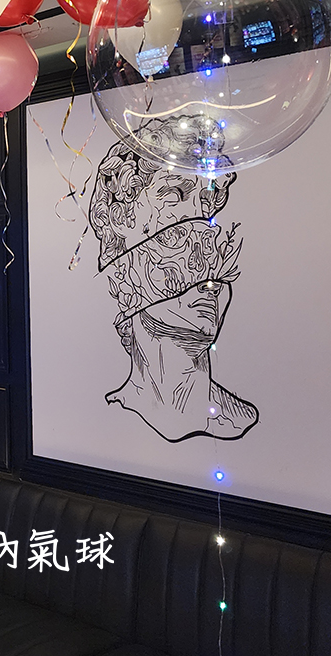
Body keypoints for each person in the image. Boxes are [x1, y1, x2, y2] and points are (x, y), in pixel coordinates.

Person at [88, 115, 259, 443]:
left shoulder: (241, 417)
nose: (201, 218)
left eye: (207, 200)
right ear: (122, 219)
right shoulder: (101, 422)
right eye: (173, 195)